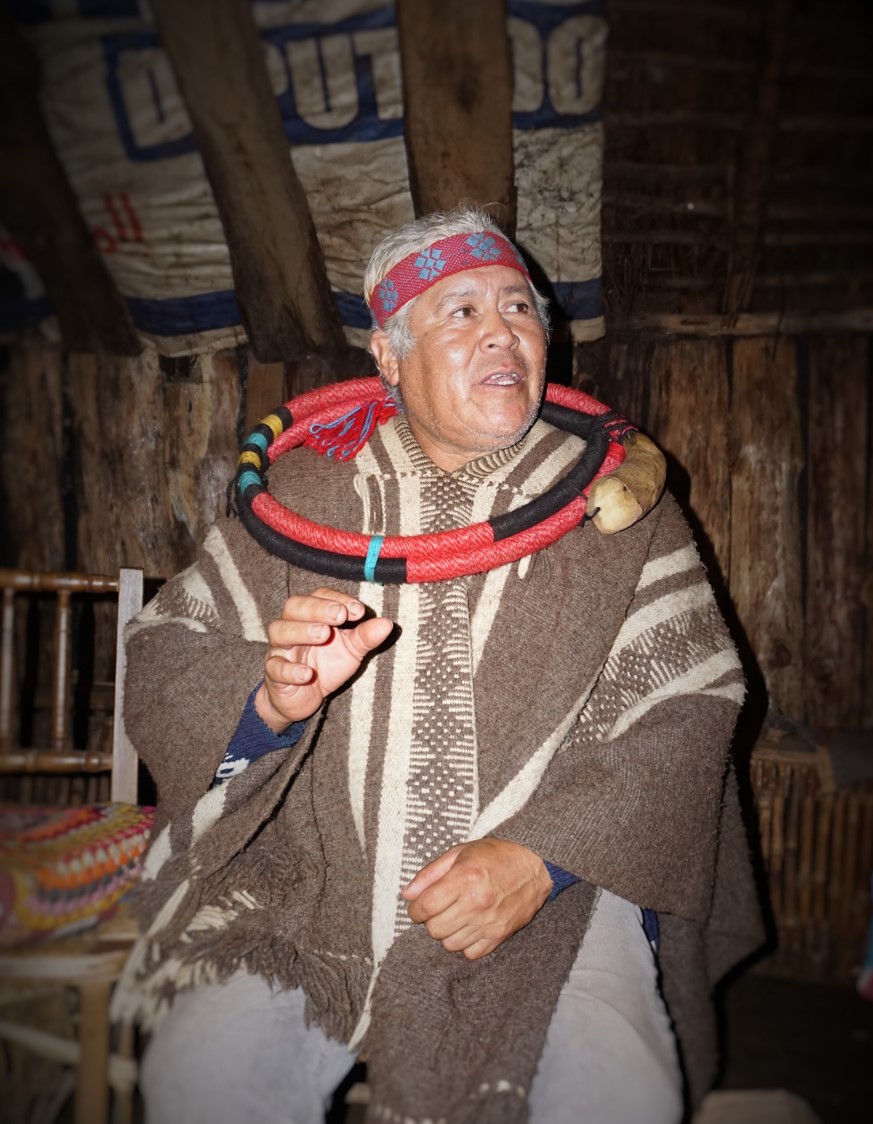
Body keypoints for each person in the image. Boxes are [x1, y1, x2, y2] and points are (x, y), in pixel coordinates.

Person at [113, 207, 763, 1124]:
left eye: (519, 309)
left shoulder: (613, 504)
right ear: (387, 357)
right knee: (201, 1084)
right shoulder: (303, 497)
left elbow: (693, 705)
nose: (500, 332)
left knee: (618, 1098)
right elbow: (168, 647)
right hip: (309, 887)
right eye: (458, 312)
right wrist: (268, 694)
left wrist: (541, 859)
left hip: (554, 901)